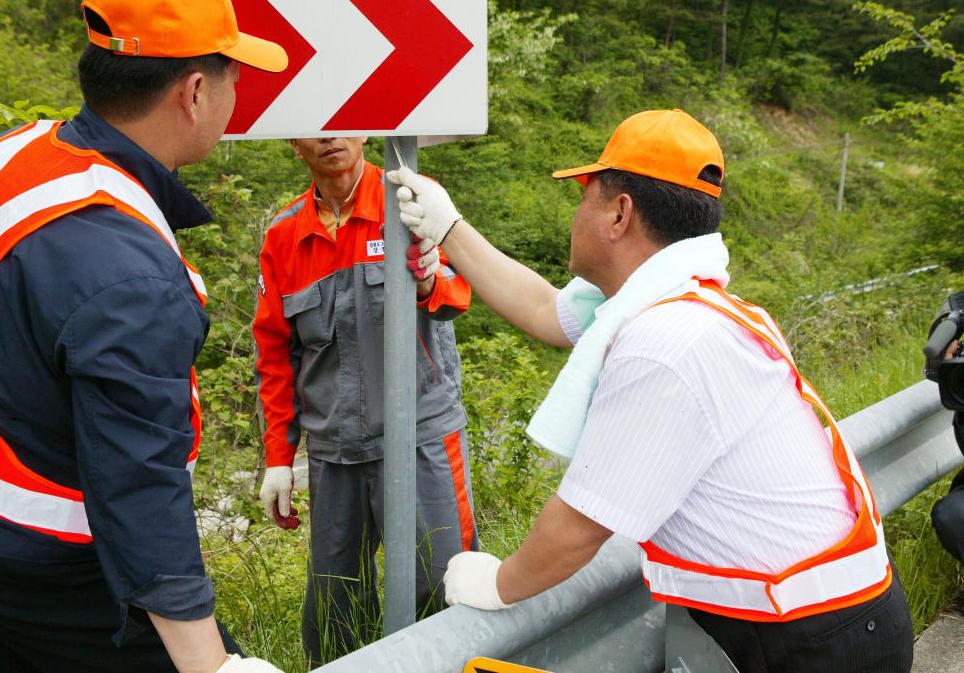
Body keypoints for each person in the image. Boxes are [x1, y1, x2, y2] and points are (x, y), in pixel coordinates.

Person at [387, 109, 915, 673]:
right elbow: (545, 309)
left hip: (812, 642)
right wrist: (448, 229)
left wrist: (499, 583)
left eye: (583, 195)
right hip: (827, 617)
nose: (576, 212)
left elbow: (582, 525)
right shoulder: (684, 299)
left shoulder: (666, 341)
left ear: (619, 213)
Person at [0, 0, 290, 671]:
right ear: (195, 90)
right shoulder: (132, 281)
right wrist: (210, 663)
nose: (238, 91)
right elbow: (139, 487)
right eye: (234, 73)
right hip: (55, 574)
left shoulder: (8, 155)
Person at [253, 137, 478, 664]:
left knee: (445, 589)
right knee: (335, 609)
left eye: (343, 123)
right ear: (293, 144)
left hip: (421, 436)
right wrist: (279, 459)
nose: (330, 137)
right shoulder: (284, 236)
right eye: (314, 126)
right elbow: (273, 354)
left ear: (364, 131)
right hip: (334, 448)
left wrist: (427, 282)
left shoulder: (411, 199)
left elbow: (459, 285)